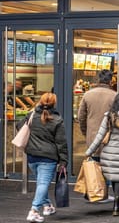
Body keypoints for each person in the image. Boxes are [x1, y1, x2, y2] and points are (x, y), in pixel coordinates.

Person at [16, 92, 68, 223]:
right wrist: (63, 161)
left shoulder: (32, 115)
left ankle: (48, 206)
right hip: (48, 157)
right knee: (43, 184)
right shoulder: (57, 120)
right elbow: (61, 143)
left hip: (32, 156)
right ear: (54, 104)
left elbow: (19, 125)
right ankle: (34, 211)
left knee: (41, 183)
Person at [78, 69, 117, 201]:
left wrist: (86, 132)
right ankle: (103, 192)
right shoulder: (115, 96)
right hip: (109, 136)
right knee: (107, 165)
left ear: (98, 79)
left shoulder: (87, 95)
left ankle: (93, 191)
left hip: (92, 135)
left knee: (93, 164)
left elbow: (81, 117)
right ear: (110, 80)